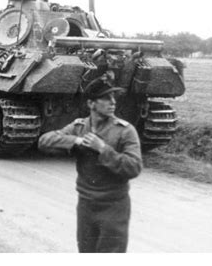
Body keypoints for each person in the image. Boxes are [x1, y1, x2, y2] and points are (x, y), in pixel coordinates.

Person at [38, 77, 142, 253]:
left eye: (114, 98)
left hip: (114, 207)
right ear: (91, 103)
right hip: (86, 204)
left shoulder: (125, 130)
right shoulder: (79, 127)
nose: (113, 102)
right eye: (106, 98)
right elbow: (44, 141)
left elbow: (134, 167)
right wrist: (77, 141)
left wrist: (103, 149)